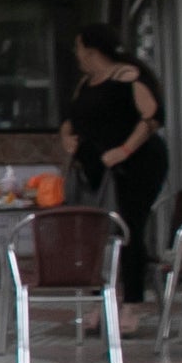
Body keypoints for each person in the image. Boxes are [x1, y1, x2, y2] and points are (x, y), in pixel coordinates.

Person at [62, 24, 167, 314]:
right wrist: (67, 138)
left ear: (92, 50)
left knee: (130, 228)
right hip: (95, 167)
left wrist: (123, 151)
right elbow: (70, 119)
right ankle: (101, 300)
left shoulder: (129, 77)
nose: (76, 54)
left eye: (79, 47)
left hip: (134, 166)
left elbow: (152, 118)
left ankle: (132, 302)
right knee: (94, 232)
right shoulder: (86, 83)